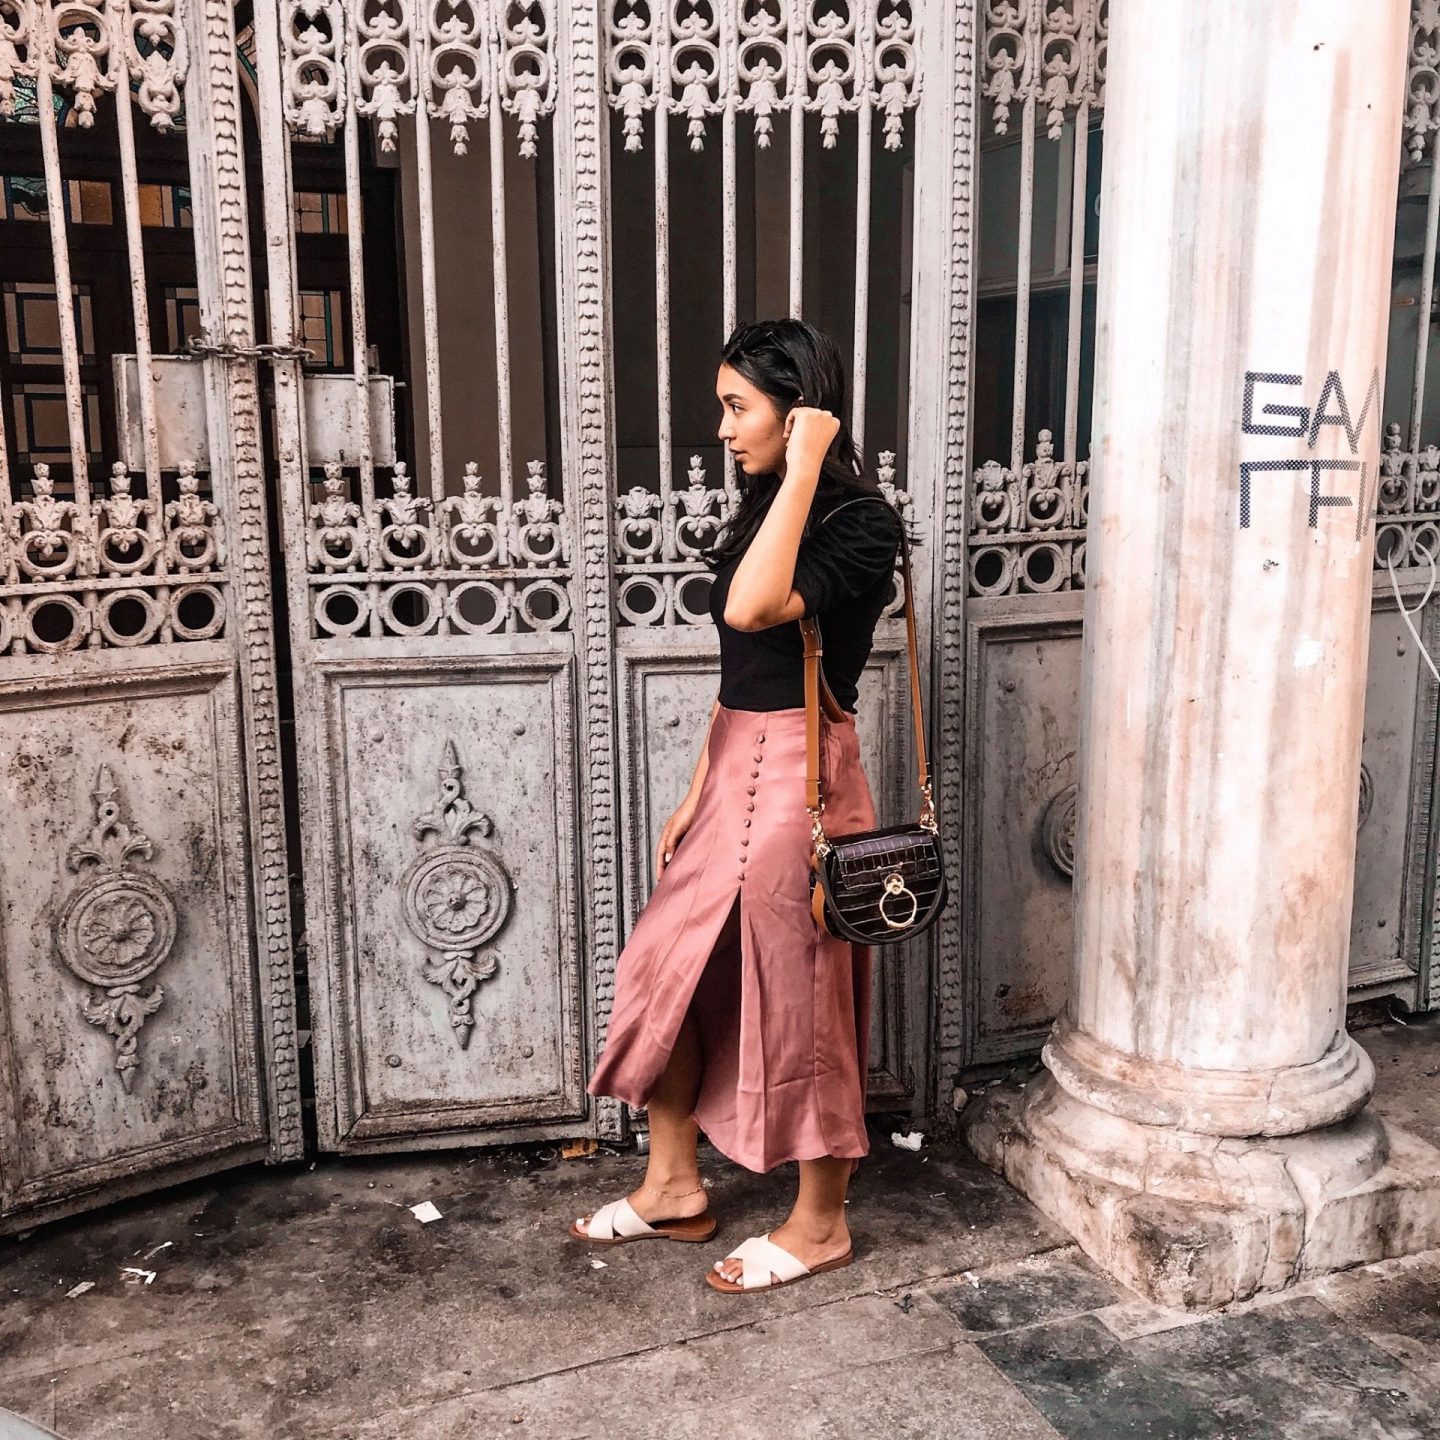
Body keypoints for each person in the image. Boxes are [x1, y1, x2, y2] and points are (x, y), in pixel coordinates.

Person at [574, 318, 907, 1293]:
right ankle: (674, 1183)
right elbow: (742, 669)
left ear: (798, 412)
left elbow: (754, 612)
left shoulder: (856, 522)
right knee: (664, 969)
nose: (722, 429)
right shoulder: (765, 505)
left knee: (803, 1001)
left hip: (805, 777)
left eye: (737, 407)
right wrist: (696, 787)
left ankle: (820, 1225)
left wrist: (807, 469)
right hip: (734, 771)